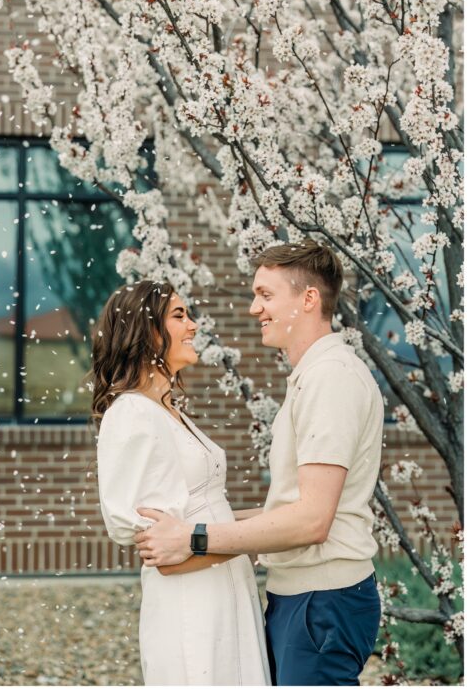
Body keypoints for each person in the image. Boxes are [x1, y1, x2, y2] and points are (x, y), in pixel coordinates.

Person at [135, 240, 384, 685]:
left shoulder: (332, 379)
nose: (254, 309)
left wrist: (194, 539)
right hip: (304, 598)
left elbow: (311, 521)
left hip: (321, 601)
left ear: (309, 299)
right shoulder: (312, 375)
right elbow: (289, 509)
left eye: (266, 295)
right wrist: (187, 524)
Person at [93, 280, 271, 685]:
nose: (193, 326)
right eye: (179, 316)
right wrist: (257, 538)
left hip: (227, 587)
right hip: (194, 603)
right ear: (148, 330)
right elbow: (165, 553)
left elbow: (203, 511)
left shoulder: (169, 411)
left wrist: (275, 516)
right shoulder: (133, 414)